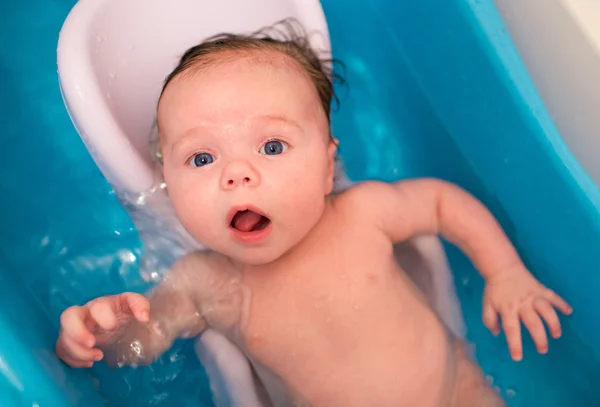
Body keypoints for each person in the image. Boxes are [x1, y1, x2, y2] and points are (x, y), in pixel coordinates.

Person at [55, 22, 572, 407]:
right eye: (203, 158)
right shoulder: (203, 283)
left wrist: (504, 272)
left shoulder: (363, 214)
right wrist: (101, 335)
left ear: (328, 167)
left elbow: (440, 202)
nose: (237, 174)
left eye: (272, 146)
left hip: (455, 389)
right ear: (169, 185)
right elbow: (148, 338)